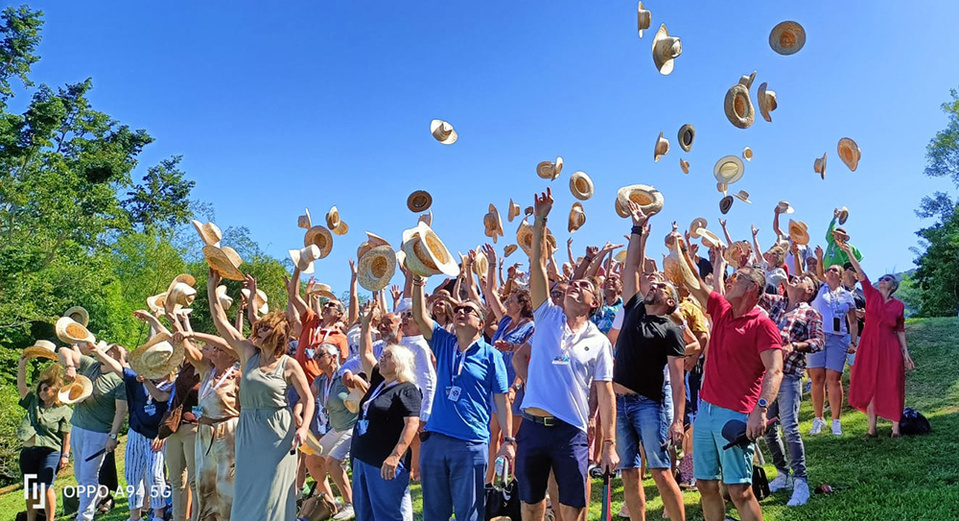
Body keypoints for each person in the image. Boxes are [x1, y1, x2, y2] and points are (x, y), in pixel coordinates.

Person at [517, 187, 617, 521]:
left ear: (595, 304)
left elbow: (605, 392)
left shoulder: (599, 341)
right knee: (531, 503)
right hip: (532, 425)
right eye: (575, 284)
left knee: (572, 505)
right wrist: (542, 219)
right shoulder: (547, 315)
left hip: (571, 430)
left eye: (586, 287)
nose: (577, 286)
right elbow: (537, 266)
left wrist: (608, 442)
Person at [683, 244, 783, 521]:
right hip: (706, 411)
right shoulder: (722, 310)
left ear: (754, 288)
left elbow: (775, 371)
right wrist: (680, 250)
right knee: (704, 484)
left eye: (736, 277)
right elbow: (692, 283)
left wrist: (760, 410)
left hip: (736, 414)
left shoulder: (763, 325)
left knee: (739, 489)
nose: (729, 279)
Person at [207, 270, 314, 521]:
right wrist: (212, 287)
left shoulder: (289, 364)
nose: (259, 329)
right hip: (249, 429)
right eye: (259, 325)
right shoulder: (248, 354)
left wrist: (303, 428)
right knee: (247, 487)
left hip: (278, 431)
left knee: (273, 489)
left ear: (278, 334)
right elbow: (221, 322)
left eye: (266, 327)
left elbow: (308, 398)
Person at [411, 269, 515, 521]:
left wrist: (508, 441)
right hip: (435, 441)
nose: (461, 312)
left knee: (468, 514)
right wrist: (417, 282)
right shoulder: (444, 342)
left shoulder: (491, 356)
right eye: (458, 310)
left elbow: (502, 401)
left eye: (468, 310)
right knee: (433, 514)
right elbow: (419, 316)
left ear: (481, 323)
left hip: (470, 443)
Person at [613, 202, 687, 521]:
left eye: (661, 286)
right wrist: (637, 229)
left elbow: (678, 379)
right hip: (619, 403)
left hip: (648, 405)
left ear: (670, 301)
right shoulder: (634, 308)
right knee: (629, 473)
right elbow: (631, 268)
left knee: (659, 471)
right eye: (652, 285)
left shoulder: (671, 329)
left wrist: (677, 421)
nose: (653, 284)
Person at [757, 274, 825, 506]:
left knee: (789, 427)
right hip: (766, 376)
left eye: (805, 278)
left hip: (788, 376)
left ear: (809, 291)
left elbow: (818, 342)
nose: (798, 277)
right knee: (766, 427)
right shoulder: (776, 302)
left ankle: (801, 481)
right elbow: (755, 290)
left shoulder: (810, 313)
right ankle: (783, 474)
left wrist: (794, 346)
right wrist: (744, 262)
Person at [352, 302, 422, 521]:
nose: (382, 357)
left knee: (389, 514)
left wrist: (395, 456)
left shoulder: (407, 389)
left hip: (384, 461)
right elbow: (366, 351)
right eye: (382, 355)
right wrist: (365, 321)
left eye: (388, 356)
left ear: (400, 362)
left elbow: (412, 424)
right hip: (363, 457)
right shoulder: (379, 383)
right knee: (365, 514)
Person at [93, 339, 173, 521]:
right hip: (136, 432)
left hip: (157, 436)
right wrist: (98, 352)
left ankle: (158, 513)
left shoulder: (172, 385)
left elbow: (161, 398)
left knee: (155, 475)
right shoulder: (136, 379)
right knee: (132, 474)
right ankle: (134, 515)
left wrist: (146, 381)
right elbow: (118, 368)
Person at [841, 242, 915, 437]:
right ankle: (872, 429)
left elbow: (900, 330)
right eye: (881, 278)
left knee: (892, 383)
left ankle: (895, 429)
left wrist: (906, 354)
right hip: (869, 345)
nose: (882, 280)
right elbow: (861, 272)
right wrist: (848, 252)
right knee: (870, 384)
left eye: (887, 279)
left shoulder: (898, 305)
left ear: (894, 286)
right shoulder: (871, 295)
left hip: (890, 347)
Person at [172, 319, 241, 521]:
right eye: (214, 350)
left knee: (225, 483)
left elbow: (226, 343)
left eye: (218, 350)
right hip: (204, 431)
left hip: (227, 431)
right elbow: (186, 348)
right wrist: (173, 320)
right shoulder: (207, 372)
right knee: (205, 482)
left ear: (230, 355)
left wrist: (192, 334)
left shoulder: (237, 376)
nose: (214, 352)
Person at [135, 310, 200, 521]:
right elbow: (163, 397)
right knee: (175, 480)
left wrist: (178, 321)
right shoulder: (182, 371)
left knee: (194, 479)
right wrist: (154, 320)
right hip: (174, 428)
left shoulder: (203, 368)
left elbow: (181, 337)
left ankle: (197, 516)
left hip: (193, 427)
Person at [479, 243, 534, 483]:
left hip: (515, 388)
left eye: (511, 300)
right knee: (493, 434)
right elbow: (490, 294)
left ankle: (513, 482)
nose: (507, 303)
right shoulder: (503, 323)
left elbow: (527, 359)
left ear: (521, 304)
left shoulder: (531, 327)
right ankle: (490, 481)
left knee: (514, 437)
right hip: (496, 385)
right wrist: (492, 264)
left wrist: (516, 386)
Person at [57, 335, 128, 521]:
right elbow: (63, 351)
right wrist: (70, 367)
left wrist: (113, 436)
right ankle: (96, 498)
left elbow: (121, 412)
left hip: (98, 433)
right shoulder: (90, 365)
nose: (105, 353)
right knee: (80, 475)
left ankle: (84, 516)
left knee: (88, 476)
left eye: (110, 352)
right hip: (78, 426)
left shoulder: (120, 380)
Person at [305, 343, 359, 521]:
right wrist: (298, 412)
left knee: (332, 462)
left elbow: (363, 396)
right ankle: (330, 501)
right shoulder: (320, 380)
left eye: (321, 355)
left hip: (353, 427)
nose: (317, 359)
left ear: (334, 357)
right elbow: (307, 397)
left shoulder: (344, 376)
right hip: (336, 428)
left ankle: (350, 503)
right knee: (312, 459)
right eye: (315, 356)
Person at [17, 356, 71, 521]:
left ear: (55, 390)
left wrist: (65, 455)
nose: (42, 392)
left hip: (50, 451)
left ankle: (50, 519)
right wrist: (22, 365)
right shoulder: (33, 402)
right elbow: (22, 387)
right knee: (31, 489)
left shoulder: (64, 410)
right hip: (29, 450)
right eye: (41, 389)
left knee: (46, 486)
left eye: (46, 389)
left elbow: (66, 433)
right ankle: (31, 519)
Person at [808, 263, 859, 436]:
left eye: (835, 270)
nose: (830, 272)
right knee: (816, 377)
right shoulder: (819, 289)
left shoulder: (847, 296)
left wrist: (853, 342)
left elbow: (852, 322)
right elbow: (813, 273)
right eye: (828, 270)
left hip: (838, 339)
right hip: (818, 335)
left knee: (834, 378)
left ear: (841, 275)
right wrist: (820, 258)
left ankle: (836, 421)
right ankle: (818, 418)